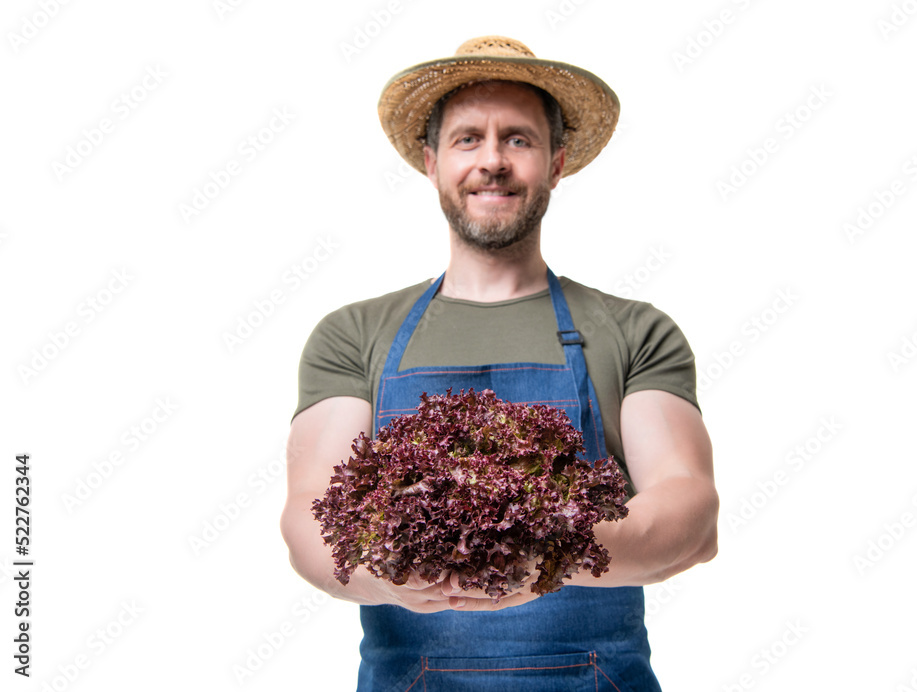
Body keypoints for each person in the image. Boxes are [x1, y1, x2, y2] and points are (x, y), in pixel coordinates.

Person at [280, 36, 719, 691]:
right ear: (432, 163)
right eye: (467, 139)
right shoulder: (355, 336)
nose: (493, 161)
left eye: (517, 139)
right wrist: (412, 574)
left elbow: (690, 514)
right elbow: (310, 520)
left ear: (556, 162)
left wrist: (544, 552)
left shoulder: (632, 331)